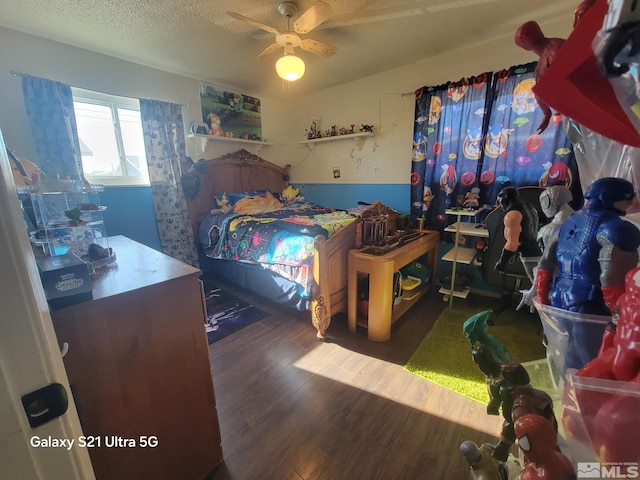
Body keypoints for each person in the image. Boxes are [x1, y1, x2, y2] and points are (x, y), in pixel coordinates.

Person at [536, 177, 640, 369]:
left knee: (569, 360)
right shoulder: (615, 228)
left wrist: (544, 302)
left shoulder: (564, 225)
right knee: (594, 364)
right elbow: (610, 278)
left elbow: (545, 266)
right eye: (628, 198)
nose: (631, 202)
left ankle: (570, 393)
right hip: (592, 306)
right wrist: (619, 317)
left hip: (560, 300)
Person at [494, 187, 541, 273]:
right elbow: (526, 231)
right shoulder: (529, 207)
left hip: (529, 255)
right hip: (535, 249)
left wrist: (502, 262)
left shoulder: (513, 214)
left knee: (537, 281)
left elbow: (513, 242)